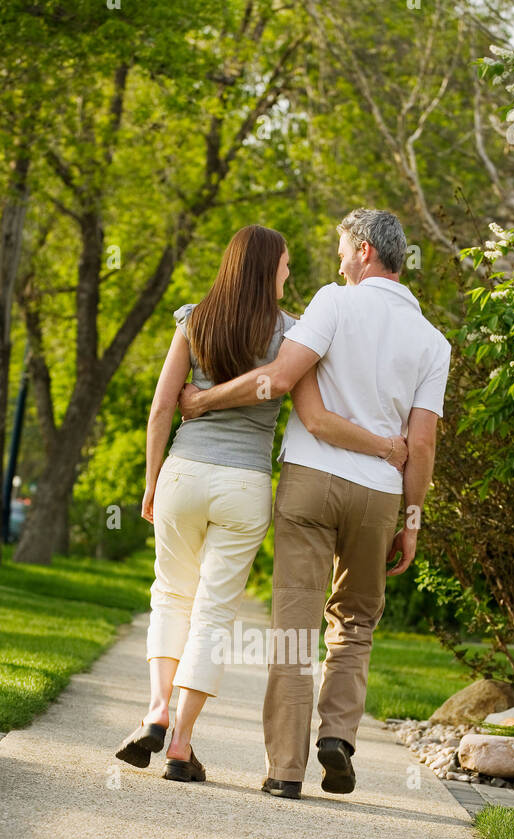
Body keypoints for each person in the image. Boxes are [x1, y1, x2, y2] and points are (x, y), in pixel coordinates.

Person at [116, 223, 409, 783]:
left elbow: (161, 409)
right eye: (286, 265)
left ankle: (155, 710)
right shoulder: (291, 334)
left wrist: (152, 480)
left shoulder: (192, 318)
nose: (291, 274)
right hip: (244, 485)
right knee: (214, 612)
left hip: (182, 473)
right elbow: (310, 412)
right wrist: (382, 447)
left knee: (171, 594)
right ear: (267, 269)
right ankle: (179, 742)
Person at [179, 208, 451, 798]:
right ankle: (338, 736)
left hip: (309, 482)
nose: (336, 260)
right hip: (380, 495)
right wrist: (412, 519)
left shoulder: (332, 303)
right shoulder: (433, 342)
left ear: (364, 253)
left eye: (342, 248)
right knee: (354, 624)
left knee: (294, 628)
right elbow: (422, 444)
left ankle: (284, 771)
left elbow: (275, 380)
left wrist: (201, 403)